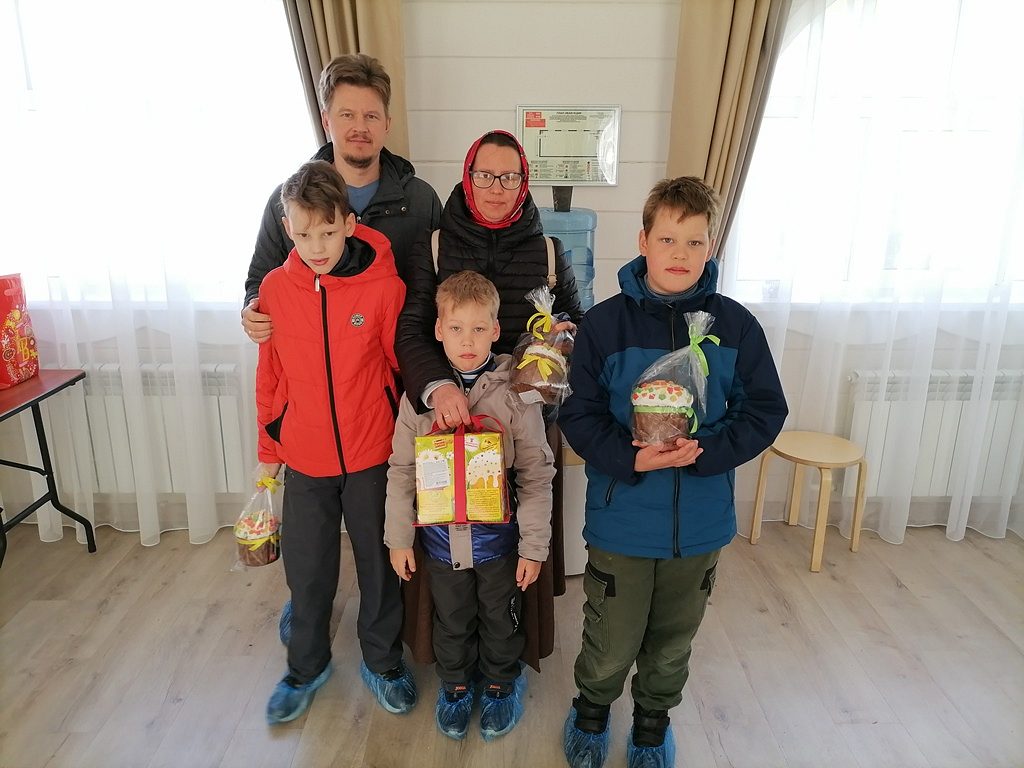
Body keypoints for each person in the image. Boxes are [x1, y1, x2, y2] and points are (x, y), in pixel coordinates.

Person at [557, 177, 788, 768]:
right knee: (611, 636)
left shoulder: (735, 326)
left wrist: (706, 452)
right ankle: (591, 710)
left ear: (711, 247)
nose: (680, 254)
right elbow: (578, 415)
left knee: (672, 640)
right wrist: (630, 457)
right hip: (622, 520)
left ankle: (652, 724)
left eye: (694, 242)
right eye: (667, 239)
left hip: (700, 523)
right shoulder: (605, 325)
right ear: (643, 242)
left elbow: (766, 410)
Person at [394, 130, 583, 667]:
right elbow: (411, 331)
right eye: (485, 175)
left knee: (510, 562)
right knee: (450, 563)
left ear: (524, 182)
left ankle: (506, 667)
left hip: (522, 422)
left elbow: (578, 325)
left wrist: (559, 344)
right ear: (467, 176)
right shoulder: (434, 245)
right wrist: (438, 385)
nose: (496, 187)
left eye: (509, 176)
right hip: (446, 420)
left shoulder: (549, 252)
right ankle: (454, 668)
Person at [255, 160, 416, 724]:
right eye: (303, 234)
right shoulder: (274, 290)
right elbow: (270, 376)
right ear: (287, 228)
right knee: (307, 569)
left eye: (327, 231)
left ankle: (383, 661)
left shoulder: (385, 288)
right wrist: (269, 453)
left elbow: (400, 368)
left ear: (349, 223)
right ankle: (305, 667)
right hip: (305, 457)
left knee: (379, 565)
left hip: (372, 453)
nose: (316, 246)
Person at [384, 271, 554, 741]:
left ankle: (500, 685)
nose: (467, 340)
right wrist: (398, 539)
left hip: (499, 541)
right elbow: (401, 471)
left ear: (496, 331)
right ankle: (455, 686)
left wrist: (533, 547)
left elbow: (536, 474)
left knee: (501, 617)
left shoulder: (516, 392)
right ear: (438, 330)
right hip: (441, 543)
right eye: (456, 328)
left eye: (479, 328)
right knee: (451, 618)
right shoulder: (419, 399)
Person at [242, 53, 441, 343]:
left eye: (371, 116)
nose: (360, 127)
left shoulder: (422, 200)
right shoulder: (286, 202)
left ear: (387, 123)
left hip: (399, 360)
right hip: (314, 361)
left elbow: (441, 291)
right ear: (326, 120)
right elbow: (259, 281)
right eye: (347, 115)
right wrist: (252, 310)